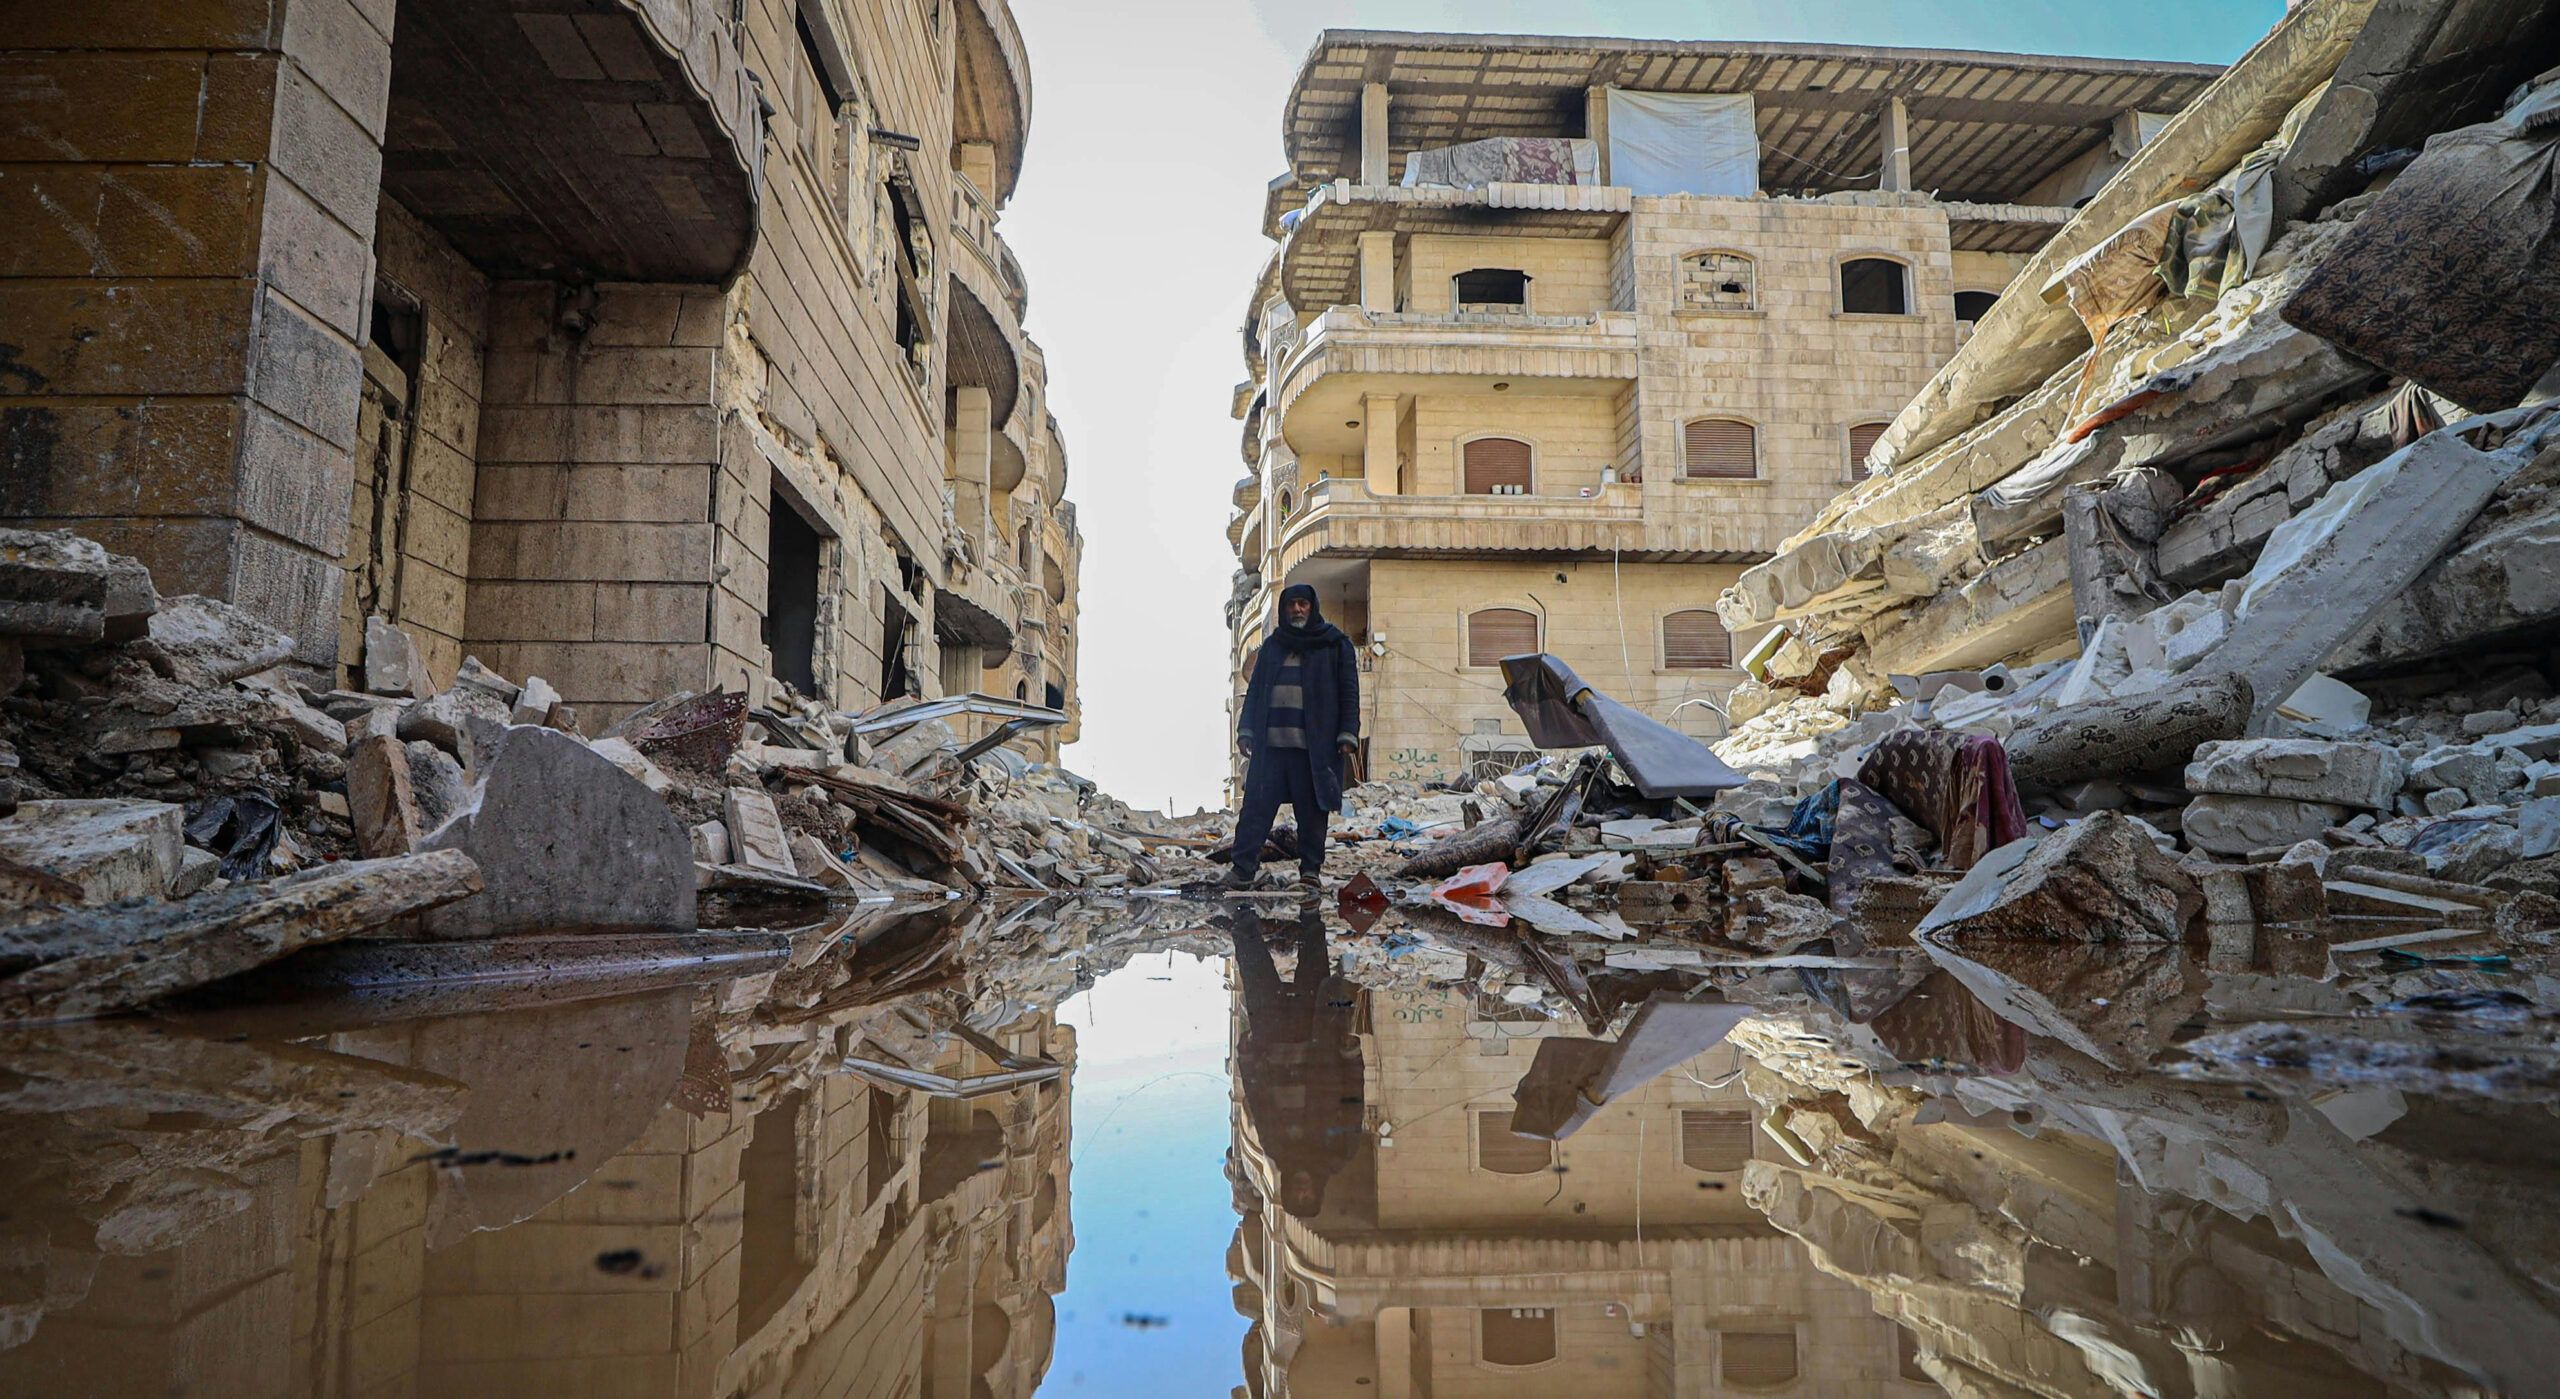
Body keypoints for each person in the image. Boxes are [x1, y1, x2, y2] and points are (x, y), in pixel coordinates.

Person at [1228, 583, 1358, 889]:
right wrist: (1245, 730)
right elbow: (1256, 691)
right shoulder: (1273, 646)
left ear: (1312, 607)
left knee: (1312, 814)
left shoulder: (1335, 645)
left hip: (1314, 749)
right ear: (1284, 610)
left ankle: (1310, 872)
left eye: (1302, 604)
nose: (1297, 610)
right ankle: (1243, 869)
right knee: (1255, 811)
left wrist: (1348, 733)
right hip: (1271, 749)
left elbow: (1349, 691)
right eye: (1291, 605)